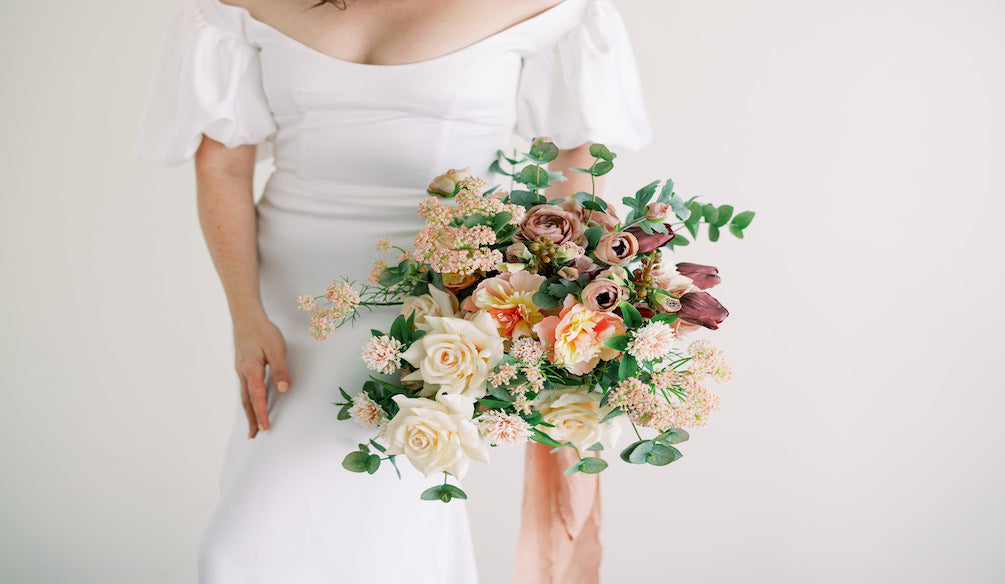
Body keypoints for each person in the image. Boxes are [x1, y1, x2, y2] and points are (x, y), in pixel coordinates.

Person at [133, 0, 650, 581]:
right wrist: (245, 314)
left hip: (440, 293)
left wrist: (553, 289)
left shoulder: (548, 8)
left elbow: (573, 162)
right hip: (292, 299)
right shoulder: (240, 7)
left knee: (392, 500)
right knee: (252, 534)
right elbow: (222, 167)